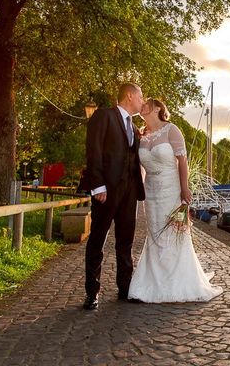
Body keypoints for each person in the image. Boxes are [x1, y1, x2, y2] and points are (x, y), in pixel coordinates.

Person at [127, 98, 222, 303]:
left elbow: (182, 161)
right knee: (155, 233)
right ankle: (151, 281)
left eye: (146, 104)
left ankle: (177, 280)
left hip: (171, 190)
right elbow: (140, 167)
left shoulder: (172, 130)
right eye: (141, 103)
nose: (142, 105)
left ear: (158, 108)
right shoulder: (141, 134)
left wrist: (184, 187)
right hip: (151, 193)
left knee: (173, 231)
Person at [82, 83, 145, 310]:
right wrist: (97, 186)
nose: (142, 100)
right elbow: (94, 150)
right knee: (98, 239)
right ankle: (92, 292)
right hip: (106, 191)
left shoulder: (134, 127)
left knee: (125, 240)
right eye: (140, 96)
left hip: (129, 192)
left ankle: (125, 288)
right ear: (129, 96)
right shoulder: (104, 116)